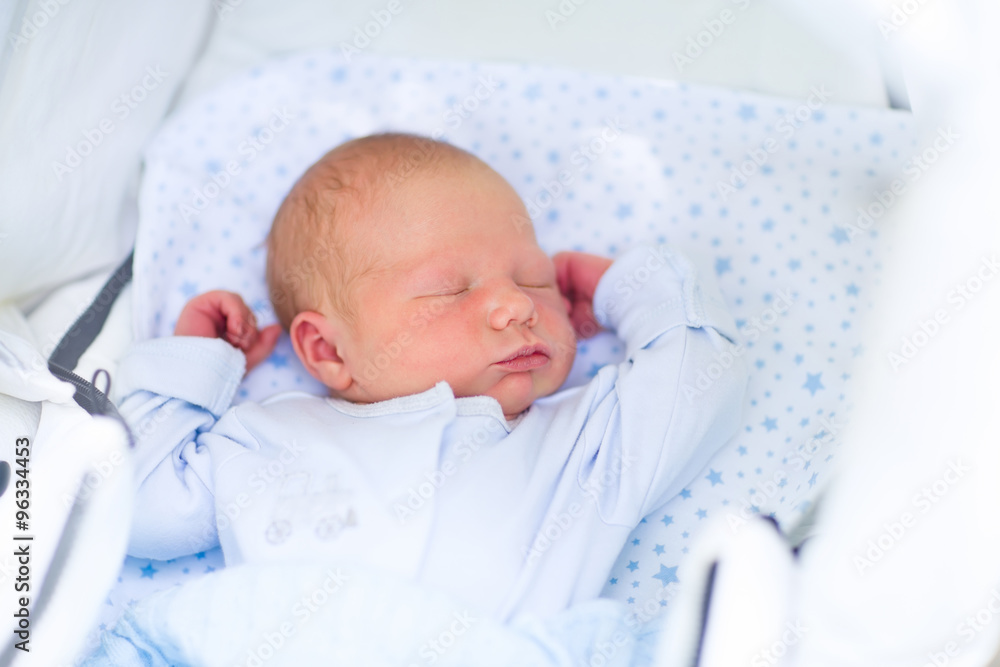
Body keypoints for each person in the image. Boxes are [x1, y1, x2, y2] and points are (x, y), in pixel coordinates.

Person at [112, 132, 748, 621]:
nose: (518, 305)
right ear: (328, 349)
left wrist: (631, 288)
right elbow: (136, 507)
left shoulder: (581, 444)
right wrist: (194, 368)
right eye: (450, 290)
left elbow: (701, 380)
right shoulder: (267, 438)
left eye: (535, 280)